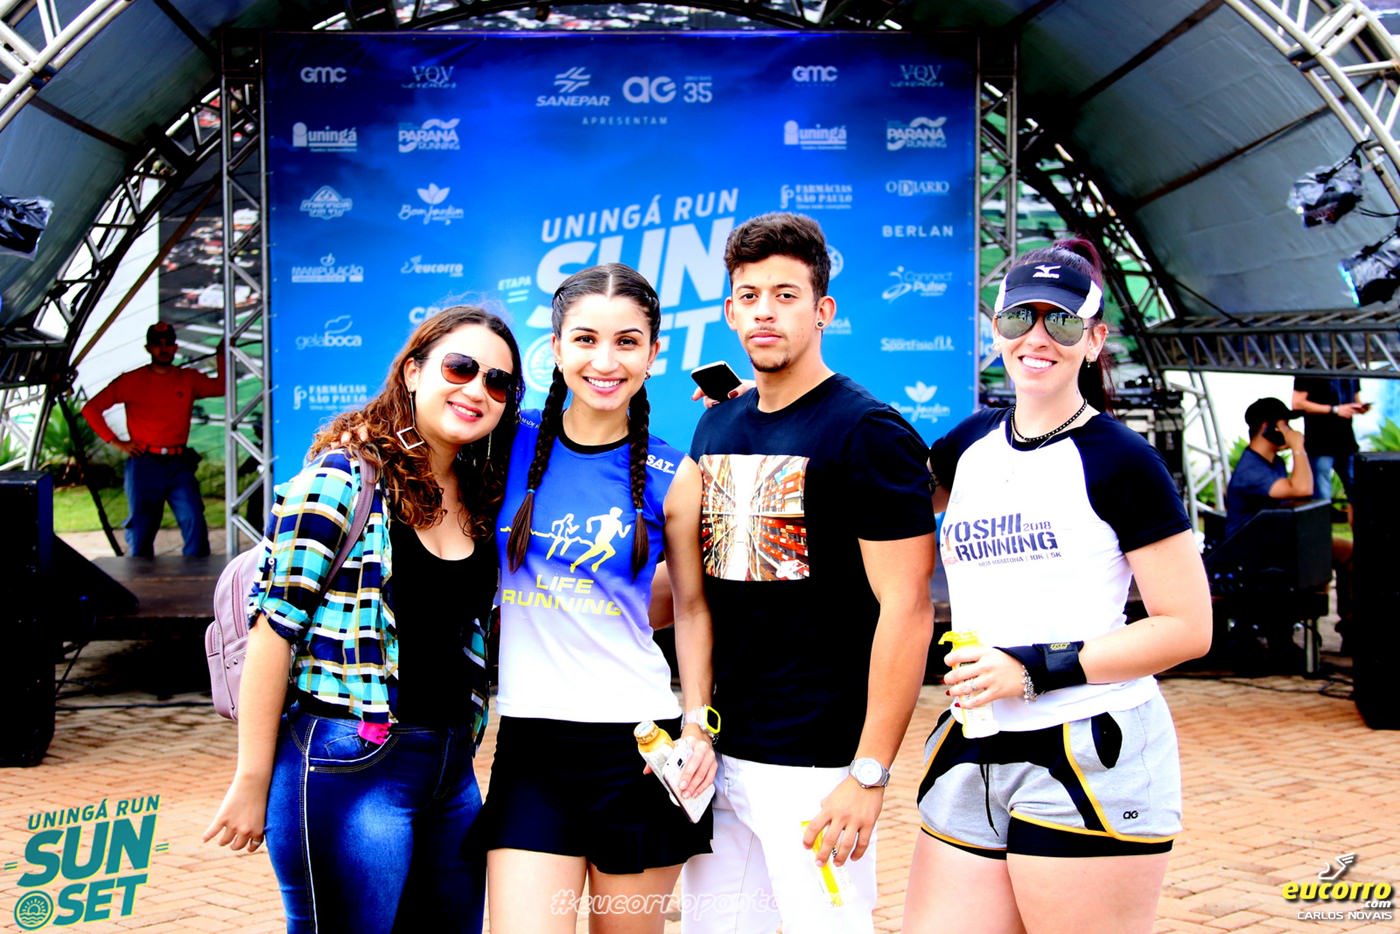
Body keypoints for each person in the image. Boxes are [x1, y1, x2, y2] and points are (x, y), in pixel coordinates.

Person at [904, 240, 1212, 934]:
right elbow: (881, 510)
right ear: (996, 329)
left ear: (1094, 340)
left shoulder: (1122, 461)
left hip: (1091, 746)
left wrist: (1033, 667)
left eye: (1063, 321)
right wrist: (776, 405)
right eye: (1020, 318)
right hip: (976, 742)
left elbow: (1188, 628)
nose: (1037, 338)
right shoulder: (968, 444)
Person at [203, 307, 523, 934]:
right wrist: (252, 779)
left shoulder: (481, 489)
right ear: (412, 372)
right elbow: (274, 630)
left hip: (451, 769)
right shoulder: (343, 478)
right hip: (347, 763)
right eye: (460, 367)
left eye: (497, 381)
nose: (477, 389)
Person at [676, 212, 936, 933]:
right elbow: (698, 593)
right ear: (730, 311)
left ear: (823, 310)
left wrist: (869, 772)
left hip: (818, 768)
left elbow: (908, 609)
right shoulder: (717, 423)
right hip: (721, 758)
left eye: (786, 295)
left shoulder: (868, 432)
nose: (766, 311)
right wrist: (696, 724)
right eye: (750, 296)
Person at [477, 263, 716, 934]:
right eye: (585, 339)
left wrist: (698, 725)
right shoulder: (505, 442)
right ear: (555, 347)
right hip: (531, 749)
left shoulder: (674, 474)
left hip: (640, 750)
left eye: (627, 342)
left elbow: (692, 608)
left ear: (654, 353)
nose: (605, 361)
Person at [80, 321, 223, 556]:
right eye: (158, 344)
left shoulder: (188, 378)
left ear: (175, 348)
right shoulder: (131, 380)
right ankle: (138, 576)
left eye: (168, 344)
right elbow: (90, 409)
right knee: (141, 528)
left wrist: (222, 355)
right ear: (148, 348)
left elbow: (220, 387)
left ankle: (198, 575)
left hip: (179, 462)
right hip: (144, 462)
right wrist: (116, 442)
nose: (163, 349)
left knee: (194, 520)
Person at [1223, 397, 1313, 539]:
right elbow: (1302, 489)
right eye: (1285, 425)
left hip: (1271, 538)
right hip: (1247, 544)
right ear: (1267, 427)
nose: (1290, 432)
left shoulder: (1276, 462)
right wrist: (1297, 447)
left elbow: (1300, 494)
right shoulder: (1250, 470)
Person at [1291, 377, 1368, 511]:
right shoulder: (1311, 369)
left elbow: (1356, 399)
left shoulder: (1352, 370)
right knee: (1322, 495)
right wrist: (1334, 409)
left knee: (1358, 492)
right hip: (1320, 442)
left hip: (1347, 442)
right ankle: (1322, 524)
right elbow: (1297, 403)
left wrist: (1360, 407)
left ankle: (1358, 524)